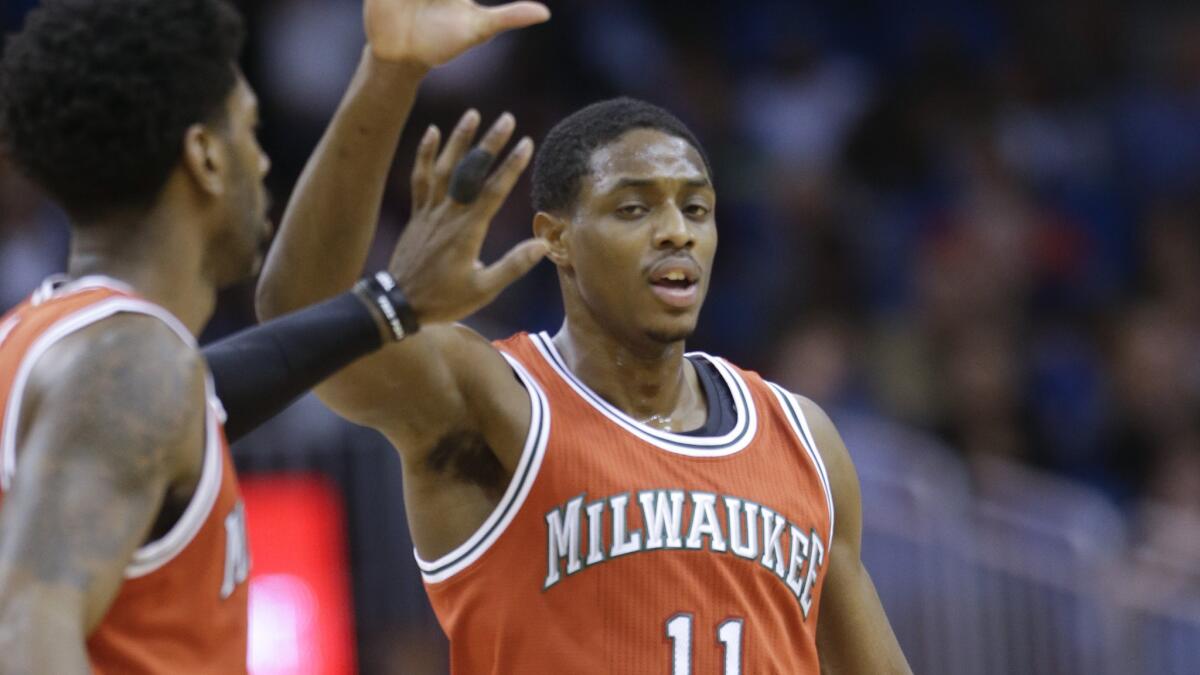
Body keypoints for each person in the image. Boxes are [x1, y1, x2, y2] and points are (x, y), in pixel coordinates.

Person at [258, 25, 913, 675]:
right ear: (557, 240)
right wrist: (386, 76)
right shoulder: (497, 401)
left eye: (696, 208)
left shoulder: (804, 441)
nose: (675, 232)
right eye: (634, 209)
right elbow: (301, 321)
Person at [0, 0, 549, 672]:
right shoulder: (128, 366)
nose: (262, 163)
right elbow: (25, 629)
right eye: (248, 131)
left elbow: (212, 393)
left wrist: (393, 303)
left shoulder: (63, 349)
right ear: (204, 156)